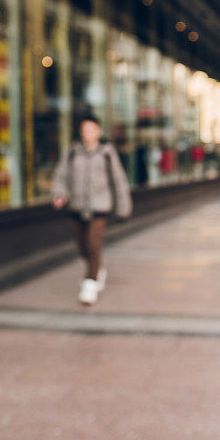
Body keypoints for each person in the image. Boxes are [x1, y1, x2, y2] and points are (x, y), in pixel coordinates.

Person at [52, 115, 132, 305]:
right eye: (84, 130)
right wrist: (59, 193)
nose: (87, 133)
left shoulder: (106, 152)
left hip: (100, 206)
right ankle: (97, 269)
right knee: (83, 248)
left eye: (91, 129)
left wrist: (124, 207)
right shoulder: (72, 151)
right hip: (77, 206)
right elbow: (61, 175)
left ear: (98, 131)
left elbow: (118, 180)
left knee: (93, 244)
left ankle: (90, 284)